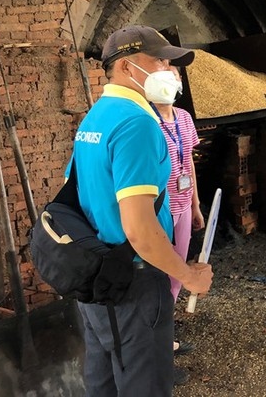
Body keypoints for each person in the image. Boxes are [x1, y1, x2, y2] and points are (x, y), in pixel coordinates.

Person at [71, 25, 213, 396]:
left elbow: (80, 195)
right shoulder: (138, 124)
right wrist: (186, 274)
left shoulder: (97, 116)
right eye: (160, 61)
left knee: (104, 381)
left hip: (98, 275)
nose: (168, 71)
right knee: (144, 385)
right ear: (126, 67)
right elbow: (138, 226)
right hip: (132, 283)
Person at [149, 66, 205, 357]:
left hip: (182, 204)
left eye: (175, 74)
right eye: (164, 73)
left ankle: (164, 336)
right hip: (159, 209)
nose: (171, 79)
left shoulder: (183, 118)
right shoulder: (146, 121)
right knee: (158, 271)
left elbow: (190, 163)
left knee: (176, 271)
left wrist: (195, 205)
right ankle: (156, 342)